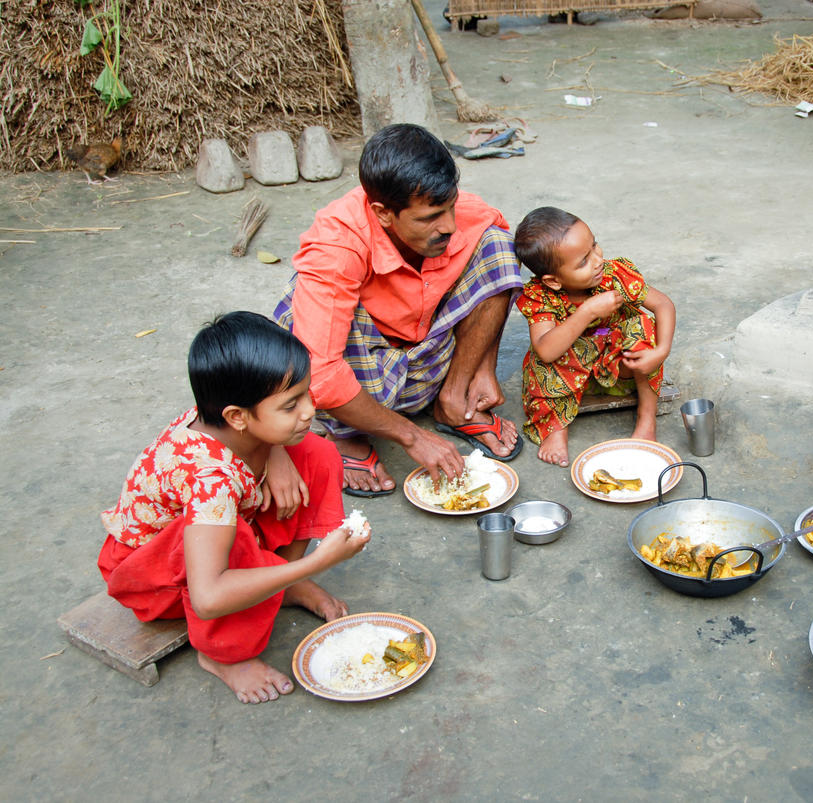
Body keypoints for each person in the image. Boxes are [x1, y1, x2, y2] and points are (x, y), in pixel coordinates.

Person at [98, 312, 371, 704]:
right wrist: (315, 563)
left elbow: (261, 431)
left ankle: (280, 581)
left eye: (306, 394)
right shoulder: (211, 483)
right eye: (291, 405)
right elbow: (208, 596)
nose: (309, 410)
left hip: (209, 534)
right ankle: (221, 655)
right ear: (237, 417)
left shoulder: (221, 416)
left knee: (317, 452)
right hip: (152, 576)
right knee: (237, 537)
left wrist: (276, 449)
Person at [273, 123, 523, 499]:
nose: (450, 226)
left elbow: (497, 269)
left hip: (425, 359)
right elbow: (321, 375)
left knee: (498, 247)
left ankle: (453, 401)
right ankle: (345, 435)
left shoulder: (448, 211)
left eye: (450, 207)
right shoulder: (336, 246)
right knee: (303, 322)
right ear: (383, 213)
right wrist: (413, 437)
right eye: (429, 219)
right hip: (366, 367)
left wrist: (483, 367)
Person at [513, 206, 676, 466]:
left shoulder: (614, 275)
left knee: (642, 325)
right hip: (567, 379)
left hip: (621, 370)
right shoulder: (540, 295)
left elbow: (663, 305)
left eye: (594, 246)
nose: (598, 259)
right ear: (553, 280)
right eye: (583, 261)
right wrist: (587, 311)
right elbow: (546, 350)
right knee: (541, 358)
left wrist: (661, 351)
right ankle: (556, 428)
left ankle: (647, 420)